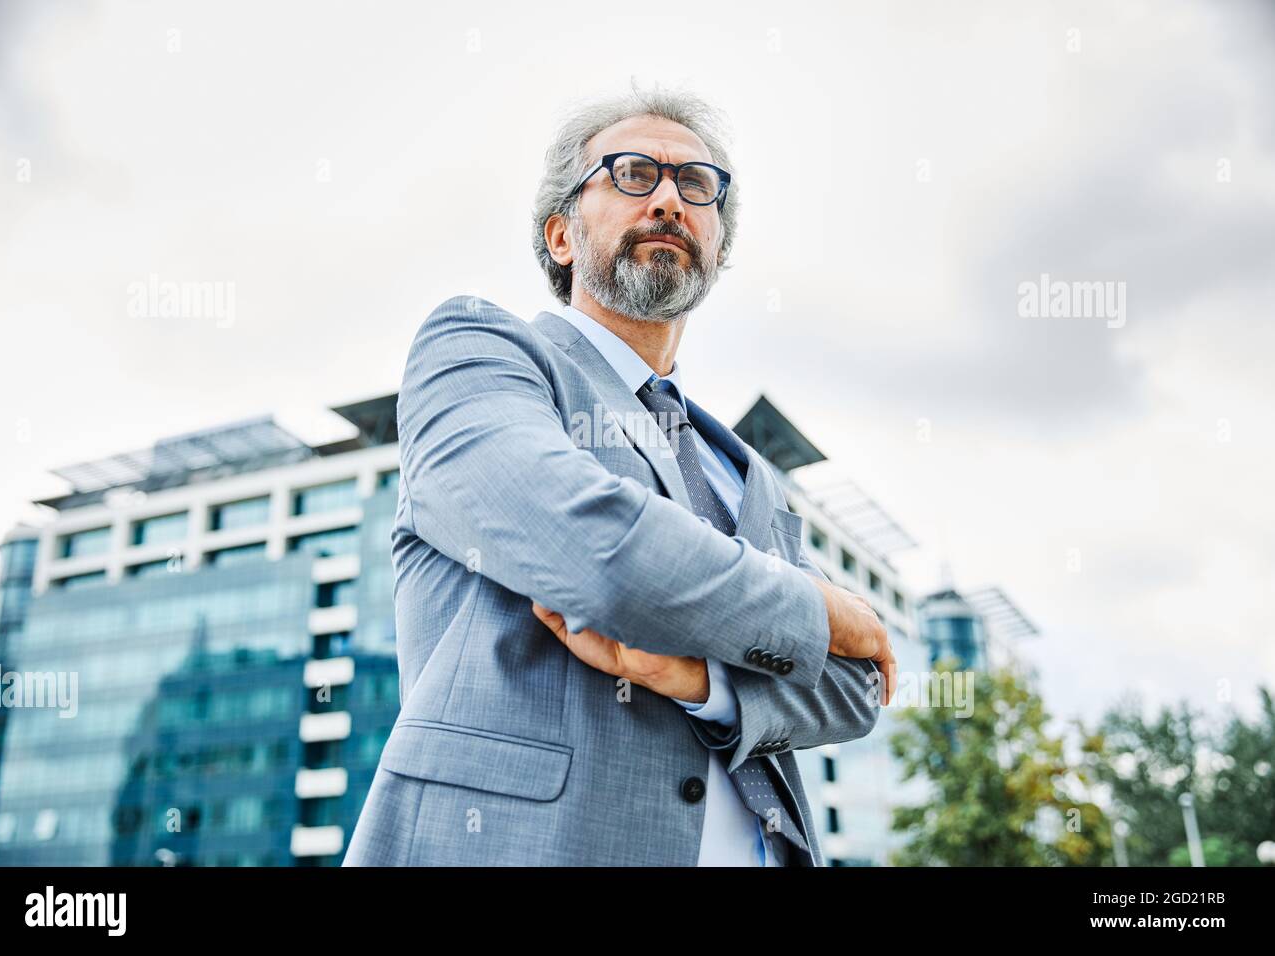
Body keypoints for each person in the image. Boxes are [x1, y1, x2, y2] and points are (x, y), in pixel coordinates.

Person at [343, 83, 896, 867]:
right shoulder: (480, 355)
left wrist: (701, 676)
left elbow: (856, 686)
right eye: (635, 174)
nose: (669, 199)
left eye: (696, 186)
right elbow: (593, 550)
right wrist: (816, 609)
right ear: (562, 234)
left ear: (719, 248)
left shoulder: (748, 475)